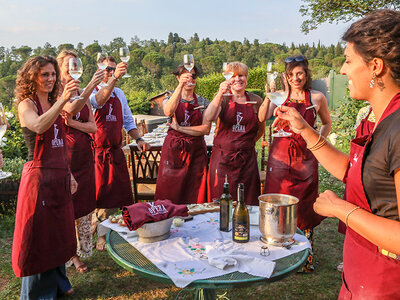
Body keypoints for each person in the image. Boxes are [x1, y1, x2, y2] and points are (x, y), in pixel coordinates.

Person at [273, 9, 400, 298]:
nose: (342, 70)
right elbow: (351, 171)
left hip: (385, 283)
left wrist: (341, 210)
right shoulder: (375, 118)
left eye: (348, 60)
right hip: (359, 271)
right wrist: (304, 129)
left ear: (376, 66)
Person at [12, 55, 79, 298]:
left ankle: (58, 285)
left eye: (53, 74)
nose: (51, 79)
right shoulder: (26, 105)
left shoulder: (53, 101)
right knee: (37, 237)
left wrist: (69, 173)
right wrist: (62, 100)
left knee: (58, 234)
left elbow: (60, 145)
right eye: (45, 75)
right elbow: (39, 126)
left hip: (59, 176)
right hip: (38, 178)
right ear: (32, 77)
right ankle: (34, 293)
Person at [259, 55, 331, 272]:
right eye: (291, 74)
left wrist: (318, 141)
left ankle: (304, 261)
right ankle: (277, 257)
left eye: (299, 73)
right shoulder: (280, 96)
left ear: (306, 74)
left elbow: (327, 123)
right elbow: (263, 117)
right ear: (285, 77)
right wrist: (267, 96)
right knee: (276, 206)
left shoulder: (317, 98)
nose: (295, 78)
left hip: (305, 160)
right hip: (279, 159)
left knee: (305, 208)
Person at [90, 56, 150, 251]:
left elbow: (128, 122)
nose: (110, 72)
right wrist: (114, 78)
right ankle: (98, 234)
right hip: (97, 154)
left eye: (113, 69)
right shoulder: (90, 92)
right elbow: (99, 102)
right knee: (100, 196)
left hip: (116, 153)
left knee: (122, 196)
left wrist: (139, 139)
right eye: (107, 69)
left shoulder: (120, 94)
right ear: (98, 69)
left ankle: (117, 231)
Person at [57, 50, 105, 273]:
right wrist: (89, 88)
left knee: (83, 208)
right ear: (60, 68)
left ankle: (81, 249)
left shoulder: (79, 93)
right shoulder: (57, 93)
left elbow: (93, 127)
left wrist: (73, 124)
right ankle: (70, 255)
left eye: (76, 65)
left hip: (84, 159)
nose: (72, 69)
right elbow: (69, 109)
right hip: (65, 158)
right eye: (68, 65)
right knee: (67, 208)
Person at [204, 62, 265, 204]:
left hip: (247, 161)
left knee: (247, 202)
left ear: (247, 78)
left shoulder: (256, 100)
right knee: (221, 202)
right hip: (222, 160)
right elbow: (209, 117)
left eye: (241, 76)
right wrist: (220, 93)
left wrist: (245, 145)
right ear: (227, 79)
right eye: (233, 76)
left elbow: (260, 129)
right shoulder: (223, 98)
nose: (237, 79)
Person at [155, 63, 210, 204]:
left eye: (193, 76)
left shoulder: (203, 101)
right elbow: (168, 111)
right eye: (185, 76)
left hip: (196, 151)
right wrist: (180, 86)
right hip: (174, 150)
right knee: (170, 190)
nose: (189, 79)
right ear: (178, 77)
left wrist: (180, 128)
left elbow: (205, 129)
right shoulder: (169, 98)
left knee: (195, 191)